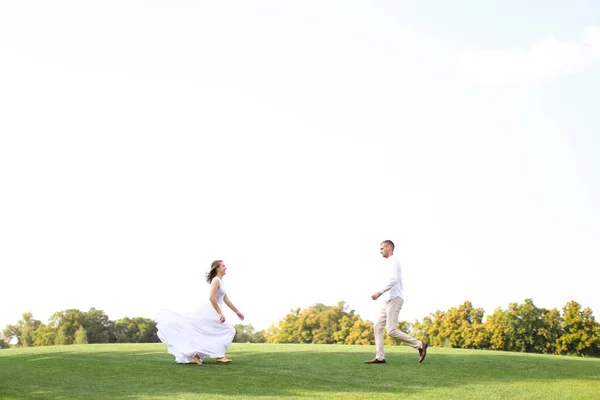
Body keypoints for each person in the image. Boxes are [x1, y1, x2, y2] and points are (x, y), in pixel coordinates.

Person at [156, 260, 245, 364]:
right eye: (223, 266)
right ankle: (219, 356)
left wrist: (237, 312)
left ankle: (197, 357)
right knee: (229, 330)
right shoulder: (216, 280)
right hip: (212, 311)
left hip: (215, 310)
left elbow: (226, 300)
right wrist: (220, 313)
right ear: (217, 268)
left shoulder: (221, 281)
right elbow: (211, 297)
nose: (226, 268)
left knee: (211, 334)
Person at [364, 240, 428, 364]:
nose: (380, 251)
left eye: (382, 248)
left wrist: (379, 292)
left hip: (395, 299)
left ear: (388, 247)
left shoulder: (393, 261)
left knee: (391, 330)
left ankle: (420, 345)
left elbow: (393, 280)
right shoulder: (388, 263)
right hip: (387, 300)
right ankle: (380, 357)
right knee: (377, 327)